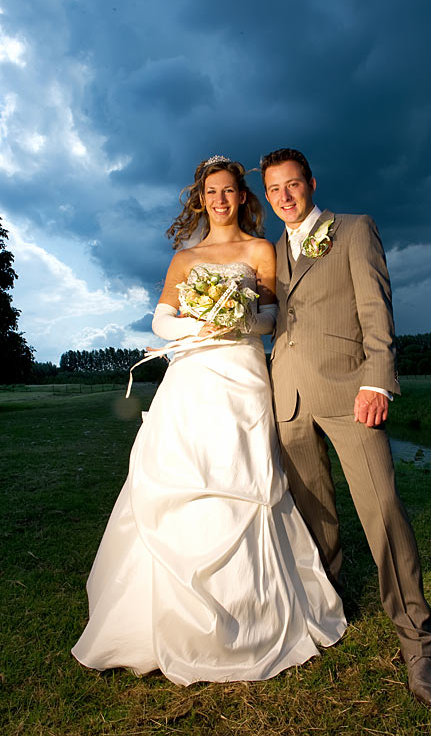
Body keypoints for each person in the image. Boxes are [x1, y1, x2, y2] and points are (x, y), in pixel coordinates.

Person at [71, 156, 346, 686]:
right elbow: (160, 317)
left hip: (240, 371)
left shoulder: (260, 250)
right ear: (201, 199)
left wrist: (238, 314)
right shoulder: (185, 256)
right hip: (194, 374)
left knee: (242, 473)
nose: (221, 200)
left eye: (229, 192)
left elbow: (270, 316)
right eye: (212, 193)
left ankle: (256, 614)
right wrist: (200, 318)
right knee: (183, 469)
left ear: (244, 197)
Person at [261, 148, 431, 709]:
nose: (285, 196)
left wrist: (378, 381)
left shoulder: (354, 229)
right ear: (267, 198)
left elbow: (376, 308)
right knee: (313, 513)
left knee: (383, 510)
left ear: (312, 184)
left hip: (350, 393)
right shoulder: (271, 251)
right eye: (274, 190)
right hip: (288, 399)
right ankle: (328, 606)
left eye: (293, 185)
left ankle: (417, 641)